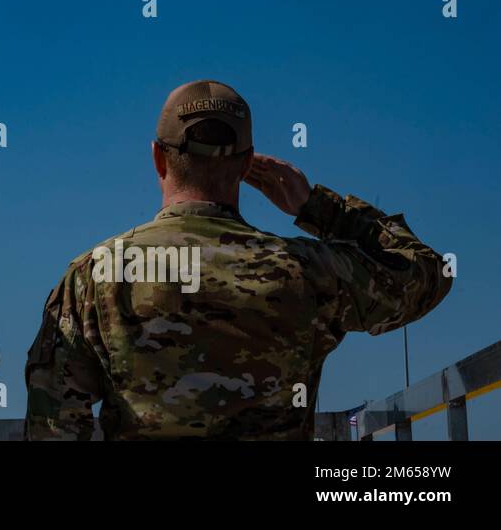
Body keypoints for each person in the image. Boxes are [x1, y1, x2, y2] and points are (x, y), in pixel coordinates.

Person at [25, 79, 453, 440]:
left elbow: (54, 426)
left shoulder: (94, 277)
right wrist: (319, 208)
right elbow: (427, 271)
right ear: (248, 164)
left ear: (158, 158)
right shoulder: (308, 270)